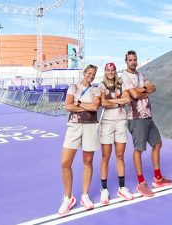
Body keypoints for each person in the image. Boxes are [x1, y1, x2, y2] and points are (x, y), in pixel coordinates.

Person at [121, 50, 172, 197]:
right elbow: (135, 95)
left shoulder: (140, 75)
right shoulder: (125, 77)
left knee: (157, 144)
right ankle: (141, 183)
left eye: (135, 59)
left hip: (148, 116)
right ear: (126, 61)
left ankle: (157, 178)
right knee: (139, 149)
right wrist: (144, 91)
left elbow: (153, 88)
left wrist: (141, 90)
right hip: (136, 118)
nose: (133, 62)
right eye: (130, 60)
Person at [58, 64, 101, 216]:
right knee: (65, 163)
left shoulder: (96, 89)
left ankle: (85, 195)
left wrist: (79, 104)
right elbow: (68, 106)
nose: (91, 75)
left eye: (93, 74)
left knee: (88, 161)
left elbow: (95, 107)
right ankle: (68, 198)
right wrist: (85, 106)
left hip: (90, 127)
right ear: (84, 73)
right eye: (89, 73)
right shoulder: (73, 87)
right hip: (74, 127)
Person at [98, 62, 133, 205]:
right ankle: (104, 189)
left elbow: (127, 99)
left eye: (112, 70)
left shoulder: (121, 83)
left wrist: (113, 101)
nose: (110, 72)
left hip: (121, 122)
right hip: (107, 122)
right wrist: (119, 103)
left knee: (120, 155)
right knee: (105, 156)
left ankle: (122, 187)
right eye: (108, 70)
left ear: (115, 71)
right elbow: (103, 103)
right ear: (105, 71)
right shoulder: (101, 85)